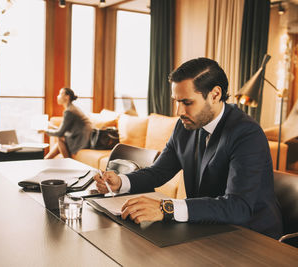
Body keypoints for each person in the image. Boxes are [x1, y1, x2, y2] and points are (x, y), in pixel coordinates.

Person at [94, 57, 283, 239]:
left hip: (251, 237)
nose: (179, 112)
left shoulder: (246, 133)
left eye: (187, 102)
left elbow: (238, 206)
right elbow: (158, 172)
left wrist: (165, 208)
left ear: (215, 95)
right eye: (177, 101)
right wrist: (121, 182)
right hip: (208, 228)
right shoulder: (185, 126)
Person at [40, 88, 92, 159]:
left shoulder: (69, 111)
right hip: (82, 137)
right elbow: (64, 130)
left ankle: (67, 160)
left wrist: (45, 131)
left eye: (60, 94)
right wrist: (52, 127)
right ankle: (46, 159)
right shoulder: (72, 108)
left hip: (81, 140)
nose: (57, 96)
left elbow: (60, 133)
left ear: (67, 97)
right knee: (61, 140)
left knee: (60, 138)